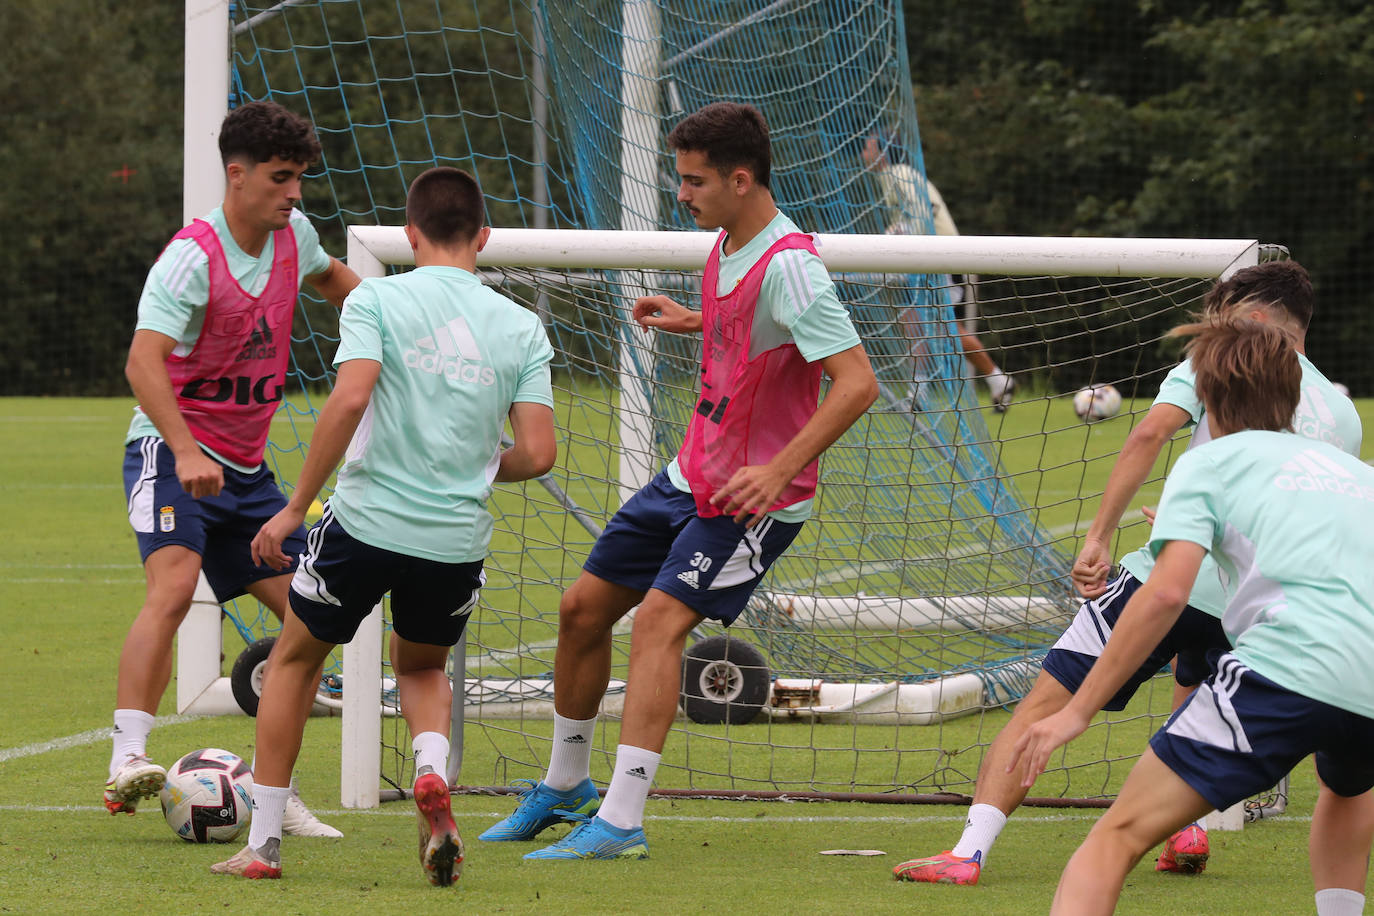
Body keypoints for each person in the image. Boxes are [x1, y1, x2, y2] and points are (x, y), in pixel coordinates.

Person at [478, 101, 878, 860]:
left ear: (741, 177)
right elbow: (758, 331)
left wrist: (779, 470)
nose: (682, 195)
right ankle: (567, 787)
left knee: (659, 624)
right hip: (692, 470)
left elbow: (857, 383)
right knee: (580, 612)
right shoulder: (726, 241)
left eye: (694, 181)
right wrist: (696, 320)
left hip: (750, 497)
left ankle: (621, 824)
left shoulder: (792, 264)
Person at [892, 259, 1365, 886]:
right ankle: (1188, 829)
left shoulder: (1223, 360)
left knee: (1044, 704)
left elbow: (1148, 435)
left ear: (1251, 319)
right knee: (1202, 698)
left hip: (1168, 580)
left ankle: (969, 851)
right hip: (1259, 605)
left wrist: (1099, 533)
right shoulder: (1343, 411)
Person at [209, 166, 557, 883]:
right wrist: (478, 467)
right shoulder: (521, 326)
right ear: (483, 237)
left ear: (409, 234)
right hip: (454, 540)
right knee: (423, 666)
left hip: (365, 525)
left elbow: (348, 399)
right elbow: (541, 454)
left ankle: (265, 844)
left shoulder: (380, 300)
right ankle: (431, 772)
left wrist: (292, 503)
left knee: (296, 661)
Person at [1010, 316, 1374, 916]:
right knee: (1347, 785)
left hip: (1287, 672)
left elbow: (1164, 596)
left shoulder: (1208, 463)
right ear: (1296, 392)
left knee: (1112, 840)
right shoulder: (1355, 474)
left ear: (1205, 396)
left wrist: (1076, 712)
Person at [111, 101, 359, 835]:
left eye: (300, 180)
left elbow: (336, 281)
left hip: (245, 476)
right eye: (281, 179)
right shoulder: (192, 256)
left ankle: (273, 793)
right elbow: (140, 360)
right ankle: (128, 756)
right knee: (177, 582)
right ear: (237, 175)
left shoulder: (297, 235)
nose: (294, 195)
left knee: (311, 621)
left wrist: (399, 319)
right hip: (173, 454)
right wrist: (185, 448)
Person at [860, 133, 1014, 412]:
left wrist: (892, 237)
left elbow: (922, 214)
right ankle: (918, 392)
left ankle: (997, 379)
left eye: (868, 147)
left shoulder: (898, 174)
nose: (863, 153)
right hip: (921, 260)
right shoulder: (897, 176)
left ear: (882, 153)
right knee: (913, 323)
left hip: (936, 259)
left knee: (945, 328)